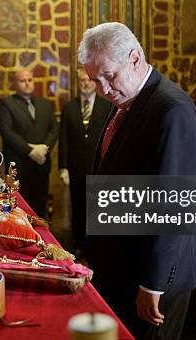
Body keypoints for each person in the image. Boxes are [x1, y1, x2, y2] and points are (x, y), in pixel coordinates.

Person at [78, 22, 196, 340]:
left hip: (153, 276)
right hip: (120, 265)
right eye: (96, 80)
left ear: (134, 58)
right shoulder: (124, 99)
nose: (103, 89)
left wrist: (153, 283)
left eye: (109, 75)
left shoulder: (171, 109)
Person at [58, 69, 111, 253]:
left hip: (99, 169)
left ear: (95, 83)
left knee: (97, 209)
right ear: (77, 83)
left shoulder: (107, 106)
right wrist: (63, 168)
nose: (86, 84)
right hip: (76, 170)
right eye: (82, 81)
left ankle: (95, 248)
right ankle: (79, 246)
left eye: (89, 80)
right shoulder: (69, 107)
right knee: (79, 209)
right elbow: (63, 138)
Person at [0, 69, 59, 218]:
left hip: (41, 164)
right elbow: (7, 133)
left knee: (40, 206)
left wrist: (44, 148)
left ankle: (41, 238)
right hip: (19, 165)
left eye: (30, 80)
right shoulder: (7, 103)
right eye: (22, 81)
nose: (27, 83)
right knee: (20, 208)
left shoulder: (45, 104)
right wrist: (30, 151)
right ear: (15, 84)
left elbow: (54, 128)